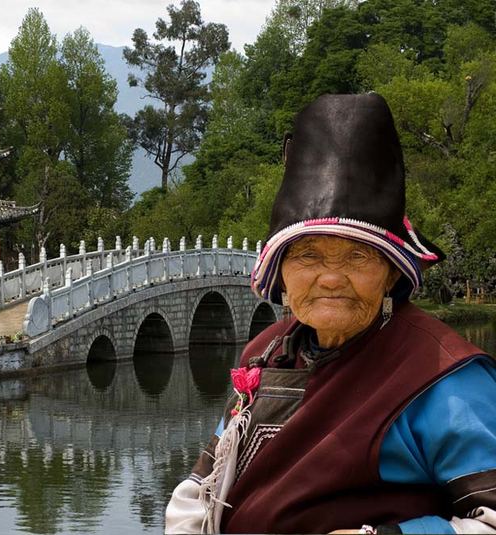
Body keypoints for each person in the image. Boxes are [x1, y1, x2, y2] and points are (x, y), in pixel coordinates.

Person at [165, 93, 496, 534]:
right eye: (308, 256)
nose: (331, 278)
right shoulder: (266, 352)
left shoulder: (441, 375)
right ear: (280, 270)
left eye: (358, 257)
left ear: (391, 272)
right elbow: (202, 486)